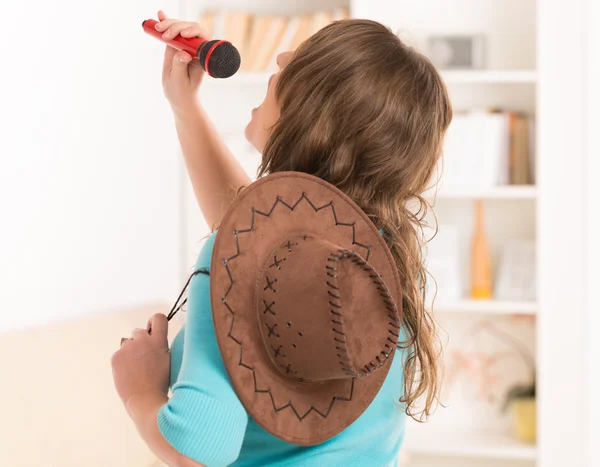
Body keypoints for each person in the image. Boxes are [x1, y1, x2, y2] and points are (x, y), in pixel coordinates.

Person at [111, 9, 452, 467]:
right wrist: (185, 105)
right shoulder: (393, 258)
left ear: (315, 115)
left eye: (304, 60)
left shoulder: (241, 262)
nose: (283, 54)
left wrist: (140, 390)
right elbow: (254, 237)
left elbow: (198, 450)